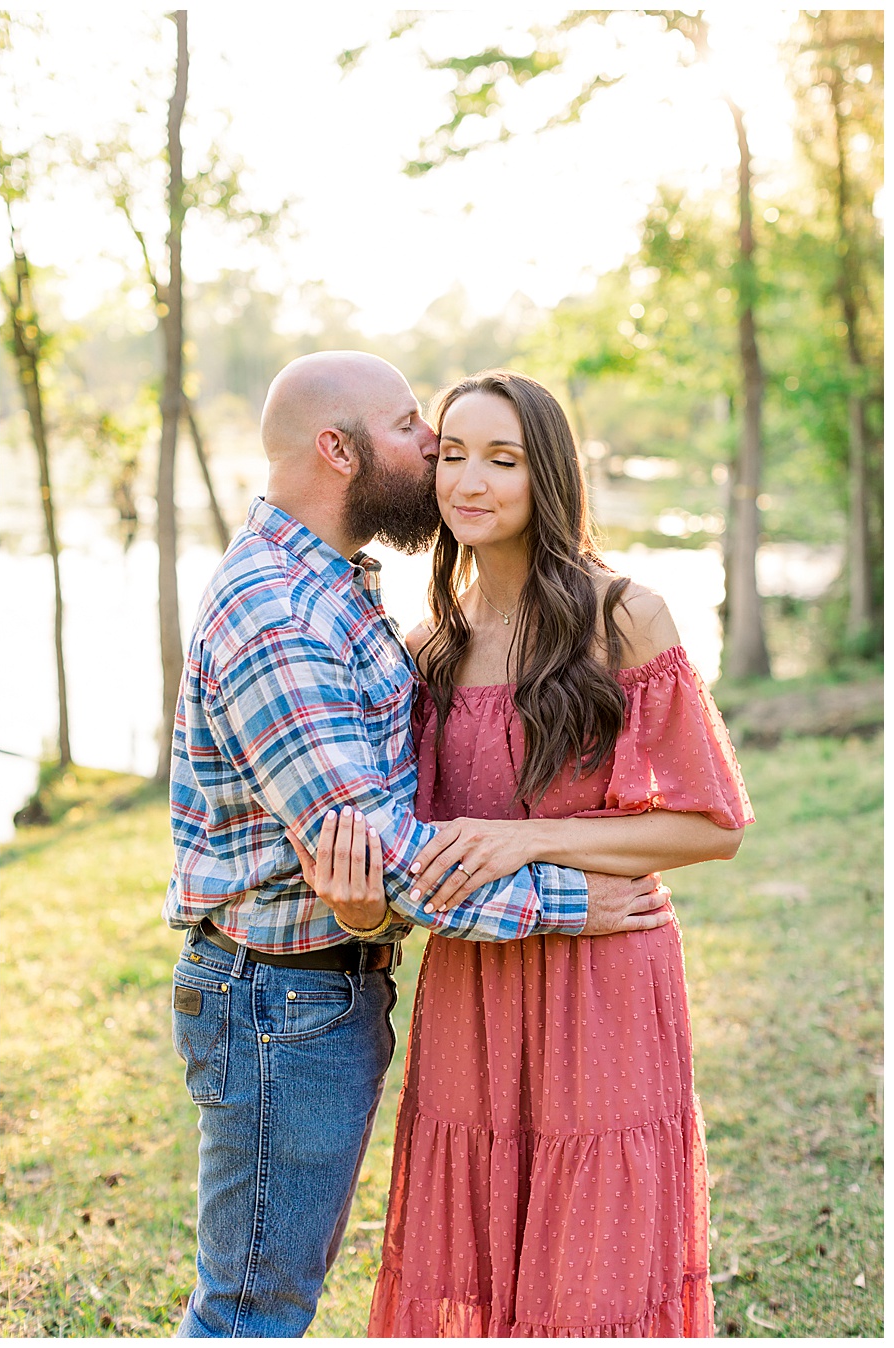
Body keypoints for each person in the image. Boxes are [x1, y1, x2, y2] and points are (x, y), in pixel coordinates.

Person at [163, 351, 674, 1338]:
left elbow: (390, 831)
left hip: (322, 986)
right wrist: (578, 898)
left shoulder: (336, 588)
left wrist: (375, 906)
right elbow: (388, 852)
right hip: (280, 1000)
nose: (434, 446)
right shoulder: (275, 612)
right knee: (250, 1312)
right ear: (338, 448)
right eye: (409, 427)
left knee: (264, 1298)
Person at [294, 369, 751, 1336]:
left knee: (593, 1272)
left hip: (605, 986)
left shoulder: (623, 617)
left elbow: (714, 826)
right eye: (452, 453)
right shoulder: (429, 650)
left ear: (546, 473)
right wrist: (359, 909)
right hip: (476, 988)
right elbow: (405, 858)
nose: (470, 480)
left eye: (501, 459)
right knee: (477, 1261)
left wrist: (526, 838)